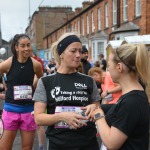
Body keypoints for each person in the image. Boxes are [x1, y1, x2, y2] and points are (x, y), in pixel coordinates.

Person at [33, 32, 101, 150]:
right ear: (61, 54)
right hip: (59, 144)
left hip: (87, 143)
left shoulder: (89, 81)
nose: (78, 55)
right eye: (73, 51)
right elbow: (38, 118)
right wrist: (62, 117)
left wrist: (94, 108)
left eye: (80, 51)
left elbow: (98, 110)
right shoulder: (46, 82)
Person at [90, 43, 150, 150]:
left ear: (119, 67)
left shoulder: (132, 102)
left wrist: (99, 116)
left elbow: (112, 143)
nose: (107, 71)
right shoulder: (133, 97)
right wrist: (98, 108)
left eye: (108, 66)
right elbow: (118, 111)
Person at [0, 34, 43, 150]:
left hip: (28, 111)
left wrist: (34, 83)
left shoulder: (36, 64)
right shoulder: (8, 63)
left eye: (28, 45)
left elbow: (41, 79)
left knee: (27, 148)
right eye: (23, 46)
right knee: (4, 147)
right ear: (16, 47)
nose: (26, 48)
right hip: (10, 110)